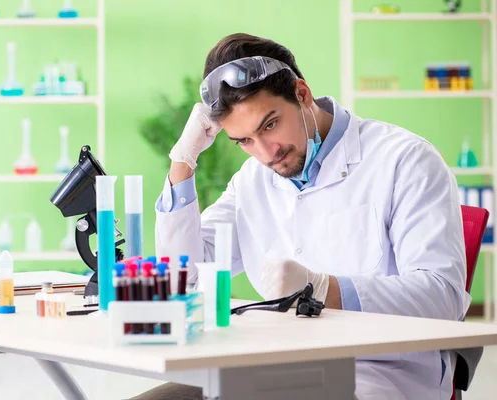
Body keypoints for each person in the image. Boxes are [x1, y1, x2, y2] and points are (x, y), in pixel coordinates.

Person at [133, 33, 471, 400]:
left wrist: (325, 289)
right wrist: (183, 161)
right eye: (244, 141)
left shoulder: (405, 160)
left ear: (302, 94)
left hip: (377, 371)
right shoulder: (251, 181)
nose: (265, 153)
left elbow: (443, 296)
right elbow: (186, 274)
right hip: (272, 364)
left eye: (269, 125)